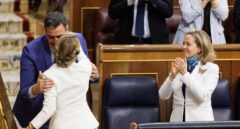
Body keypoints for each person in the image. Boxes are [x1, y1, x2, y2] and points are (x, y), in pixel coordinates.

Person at [13, 11, 99, 129]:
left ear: (67, 29)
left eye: (59, 36)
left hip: (77, 116)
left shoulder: (77, 40)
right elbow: (25, 92)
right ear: (45, 33)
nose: (56, 41)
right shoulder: (31, 50)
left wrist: (94, 75)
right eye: (51, 37)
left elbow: (87, 70)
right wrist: (35, 89)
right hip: (38, 112)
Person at [159, 30, 219, 122]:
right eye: (183, 44)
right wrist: (172, 76)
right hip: (177, 122)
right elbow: (163, 95)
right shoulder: (180, 65)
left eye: (188, 44)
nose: (184, 47)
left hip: (200, 122)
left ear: (200, 48)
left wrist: (185, 74)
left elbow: (202, 95)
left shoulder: (211, 68)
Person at [108, 0, 173, 44]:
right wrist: (128, 2)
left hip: (155, 41)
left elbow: (168, 12)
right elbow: (112, 13)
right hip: (127, 41)